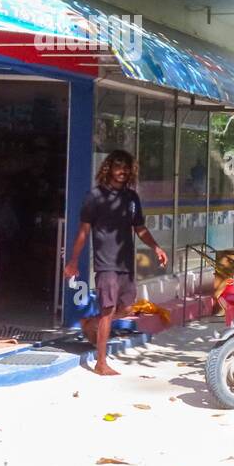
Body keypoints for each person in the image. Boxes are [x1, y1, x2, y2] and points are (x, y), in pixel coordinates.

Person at [64, 150, 167, 377]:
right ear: (108, 168)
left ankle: (90, 324)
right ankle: (101, 363)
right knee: (108, 311)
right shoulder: (95, 197)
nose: (123, 172)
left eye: (127, 168)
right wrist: (73, 261)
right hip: (105, 264)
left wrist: (156, 247)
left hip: (125, 263)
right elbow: (83, 231)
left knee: (128, 308)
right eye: (118, 167)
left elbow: (139, 228)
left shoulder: (132, 198)